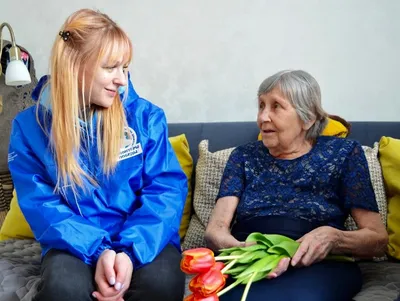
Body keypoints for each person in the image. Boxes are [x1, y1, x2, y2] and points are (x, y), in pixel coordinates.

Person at [7, 9, 187, 301]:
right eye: (111, 67)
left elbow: (166, 190)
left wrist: (128, 253)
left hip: (145, 238)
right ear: (75, 65)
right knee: (62, 290)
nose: (122, 80)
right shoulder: (28, 128)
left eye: (125, 68)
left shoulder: (146, 118)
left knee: (162, 285)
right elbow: (41, 204)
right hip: (72, 241)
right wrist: (98, 249)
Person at [205, 70, 388, 301]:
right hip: (250, 259)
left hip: (318, 263)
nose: (263, 117)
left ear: (308, 118)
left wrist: (334, 238)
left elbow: (377, 239)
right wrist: (242, 250)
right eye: (261, 106)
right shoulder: (243, 156)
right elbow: (215, 230)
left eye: (276, 107)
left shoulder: (344, 154)